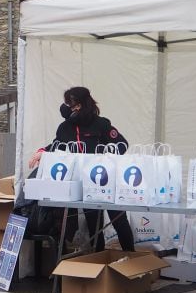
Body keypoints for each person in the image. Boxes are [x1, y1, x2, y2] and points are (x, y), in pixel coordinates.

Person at [27, 86, 135, 252]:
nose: (70, 108)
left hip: (108, 182)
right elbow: (57, 146)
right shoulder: (64, 127)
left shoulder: (101, 124)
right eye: (68, 104)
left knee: (119, 221)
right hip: (86, 186)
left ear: (84, 104)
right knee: (94, 225)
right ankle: (99, 261)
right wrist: (42, 152)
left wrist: (107, 156)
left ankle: (131, 256)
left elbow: (122, 144)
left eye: (74, 104)